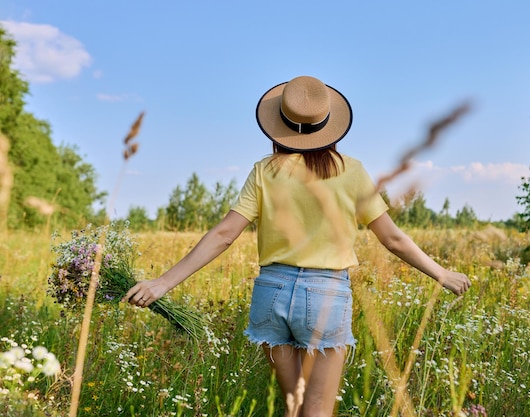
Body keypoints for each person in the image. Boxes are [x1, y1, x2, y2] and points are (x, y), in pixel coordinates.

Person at [122, 75, 471, 417]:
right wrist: (440, 273)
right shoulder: (351, 171)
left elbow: (223, 234)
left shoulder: (265, 170)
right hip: (326, 295)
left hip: (270, 293)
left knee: (295, 405)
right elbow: (392, 238)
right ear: (328, 123)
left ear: (280, 126)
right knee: (316, 409)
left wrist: (161, 283)